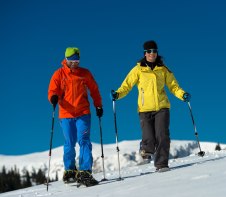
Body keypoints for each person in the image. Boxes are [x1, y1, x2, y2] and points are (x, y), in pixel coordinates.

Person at [111, 40, 191, 172]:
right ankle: (145, 147)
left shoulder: (163, 69)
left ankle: (161, 164)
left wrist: (182, 95)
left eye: (154, 51)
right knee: (149, 137)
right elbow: (127, 85)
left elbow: (173, 86)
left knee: (162, 135)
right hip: (145, 109)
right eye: (149, 51)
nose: (152, 54)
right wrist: (117, 94)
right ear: (145, 53)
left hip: (162, 107)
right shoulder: (138, 70)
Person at [48, 47, 103, 186]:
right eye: (71, 60)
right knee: (69, 143)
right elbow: (52, 90)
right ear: (66, 60)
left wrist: (98, 105)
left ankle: (85, 171)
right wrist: (53, 97)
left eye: (77, 60)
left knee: (84, 140)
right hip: (66, 114)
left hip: (83, 113)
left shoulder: (85, 73)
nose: (74, 63)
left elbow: (94, 90)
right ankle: (70, 170)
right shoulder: (59, 74)